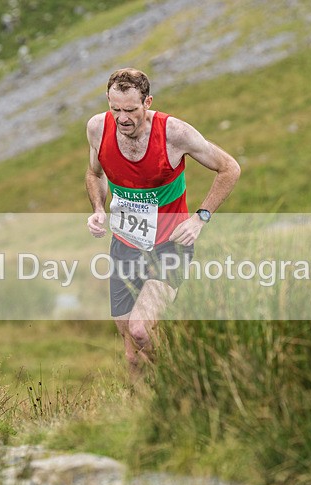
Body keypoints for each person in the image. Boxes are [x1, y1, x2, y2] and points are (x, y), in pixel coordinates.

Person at [85, 68, 240, 378]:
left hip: (170, 247)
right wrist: (98, 209)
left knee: (140, 330)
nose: (123, 118)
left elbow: (229, 168)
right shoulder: (97, 128)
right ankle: (146, 414)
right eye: (116, 109)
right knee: (131, 353)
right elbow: (94, 174)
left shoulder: (175, 133)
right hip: (125, 247)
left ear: (148, 102)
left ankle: (184, 380)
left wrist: (200, 218)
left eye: (131, 110)